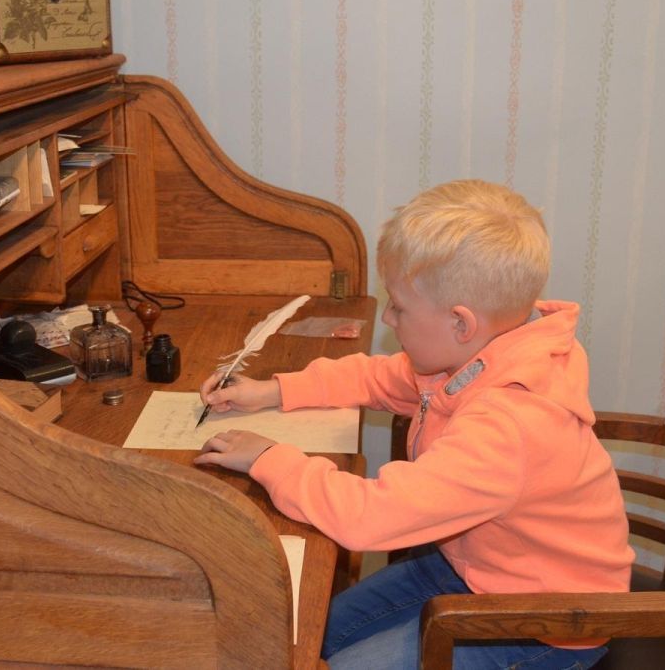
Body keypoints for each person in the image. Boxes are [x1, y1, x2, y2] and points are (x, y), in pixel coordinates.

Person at [195, 179, 634, 669]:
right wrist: (274, 391)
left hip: (544, 622)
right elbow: (380, 377)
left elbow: (369, 518)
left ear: (461, 323)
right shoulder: (477, 358)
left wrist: (269, 459)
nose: (387, 318)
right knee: (301, 633)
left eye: (399, 307)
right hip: (469, 567)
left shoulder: (509, 423)